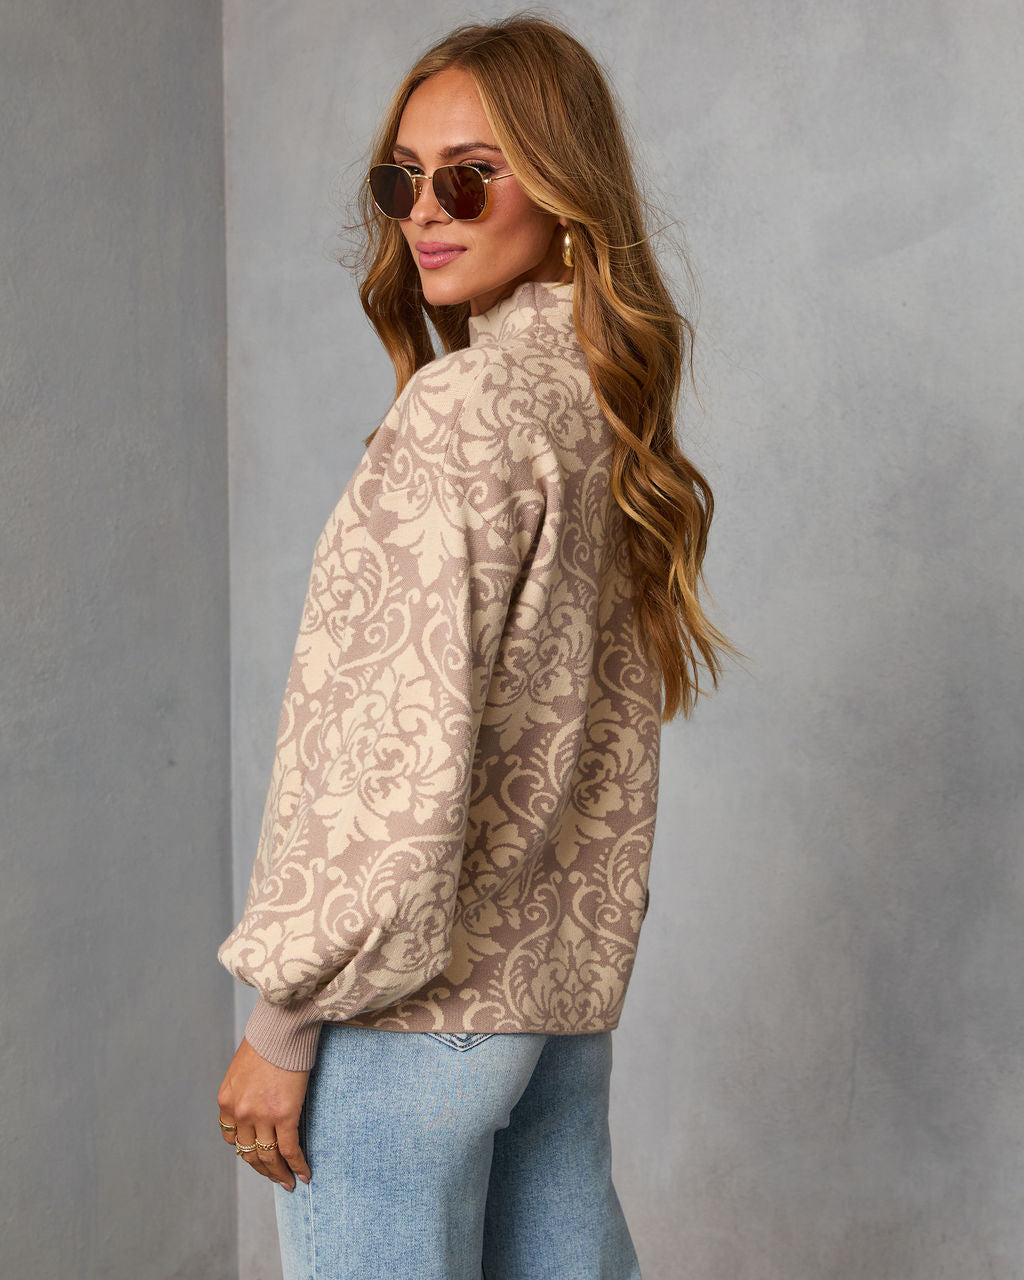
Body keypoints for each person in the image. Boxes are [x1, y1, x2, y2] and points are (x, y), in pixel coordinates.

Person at [216, 15, 731, 1280]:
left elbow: (387, 754)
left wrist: (282, 1020)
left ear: (562, 190)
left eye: (469, 176)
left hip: (408, 1018)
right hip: (547, 1010)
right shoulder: (603, 409)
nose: (423, 214)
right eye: (401, 179)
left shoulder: (462, 410)